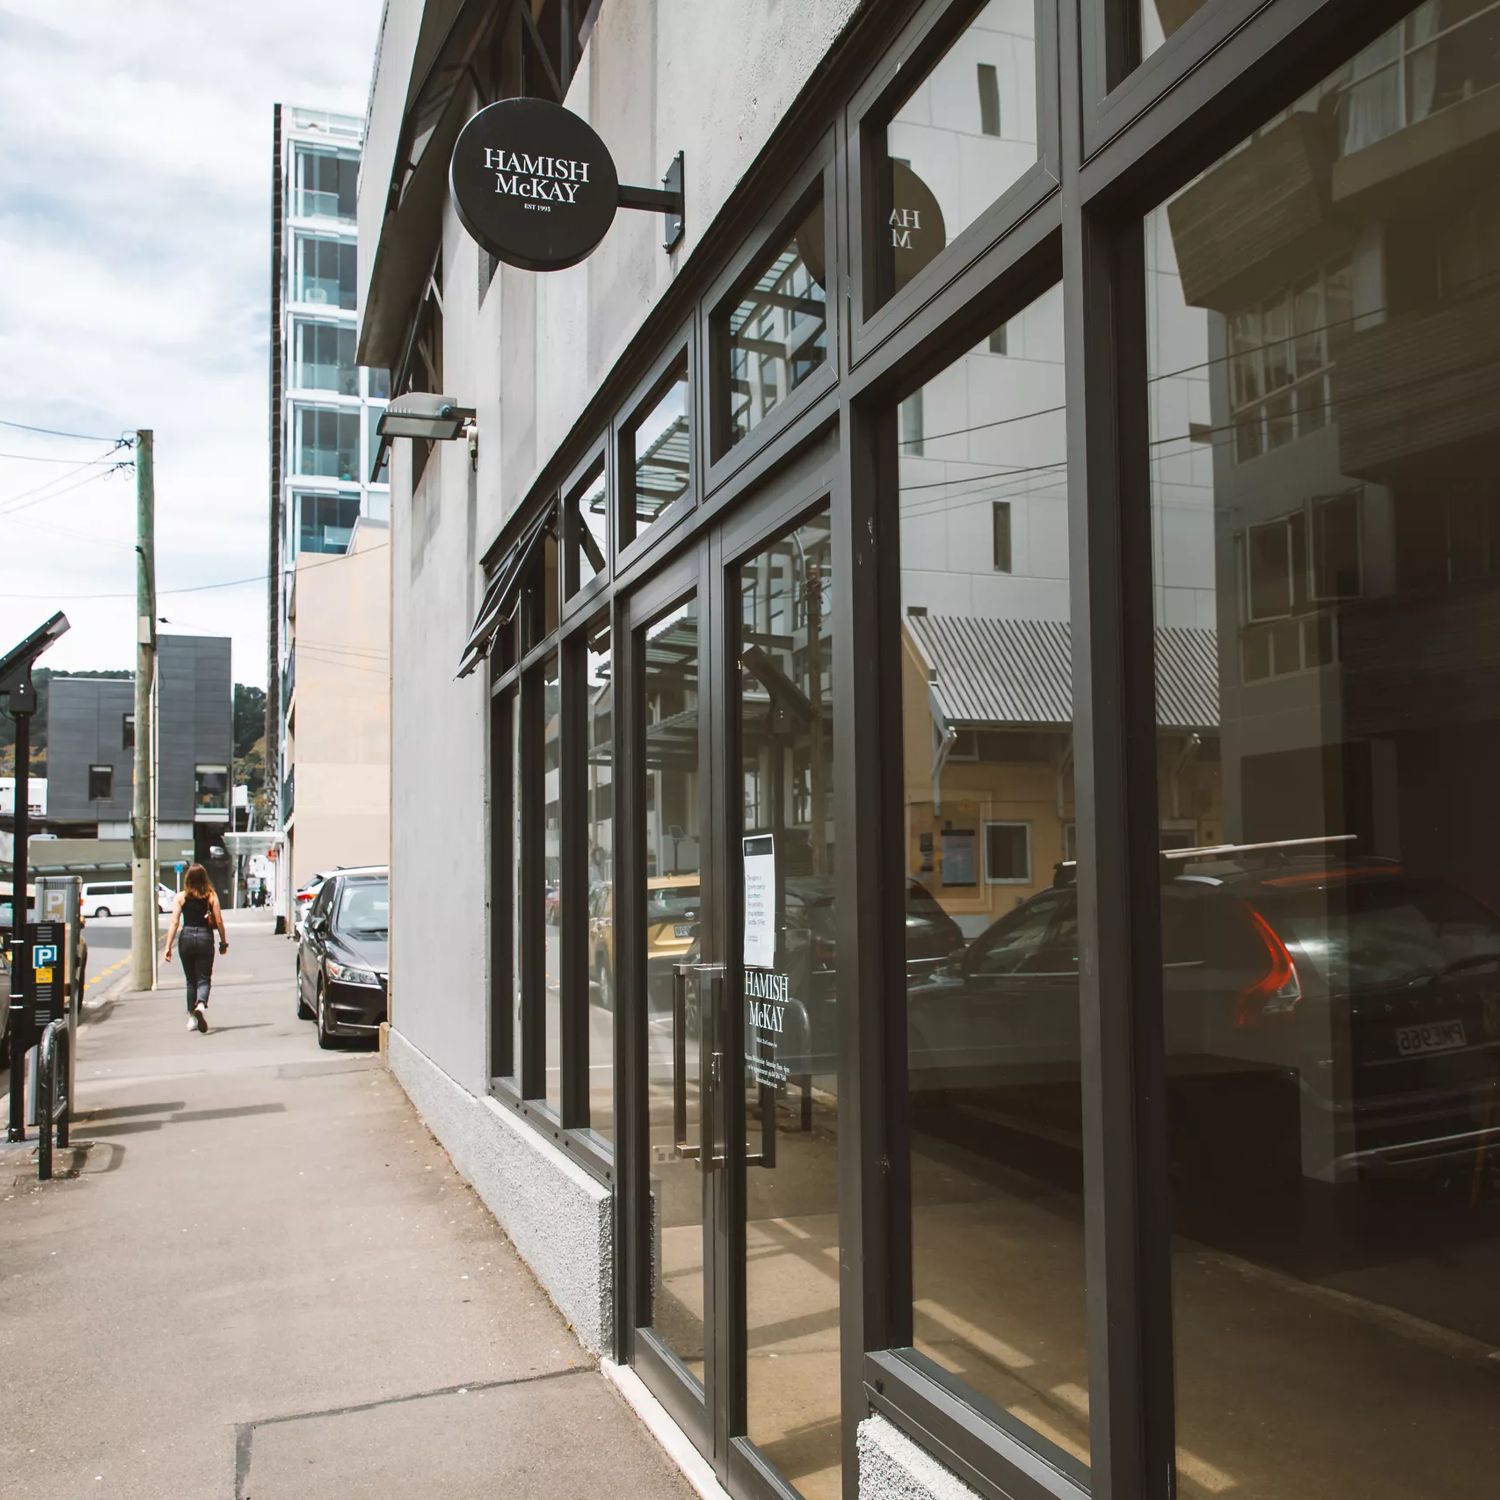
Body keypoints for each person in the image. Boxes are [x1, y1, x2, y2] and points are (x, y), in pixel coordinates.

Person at [164, 864, 228, 1033]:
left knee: (190, 981)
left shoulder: (181, 897)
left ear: (187, 879)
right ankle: (200, 1005)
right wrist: (223, 942)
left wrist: (168, 946)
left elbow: (174, 922)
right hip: (205, 938)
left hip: (186, 937)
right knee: (204, 978)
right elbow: (219, 921)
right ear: (204, 878)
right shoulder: (211, 896)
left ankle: (192, 1018)